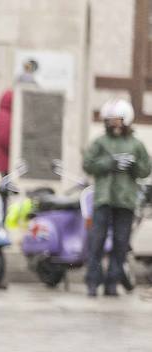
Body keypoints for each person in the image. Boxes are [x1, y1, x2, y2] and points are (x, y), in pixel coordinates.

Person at [82, 99, 151, 297]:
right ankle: (93, 281)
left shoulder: (136, 144)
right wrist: (109, 163)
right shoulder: (101, 142)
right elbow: (88, 164)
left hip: (126, 199)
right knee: (97, 241)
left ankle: (112, 282)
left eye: (117, 120)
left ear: (126, 120)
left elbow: (145, 169)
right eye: (110, 120)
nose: (114, 123)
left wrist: (132, 166)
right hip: (103, 197)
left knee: (121, 243)